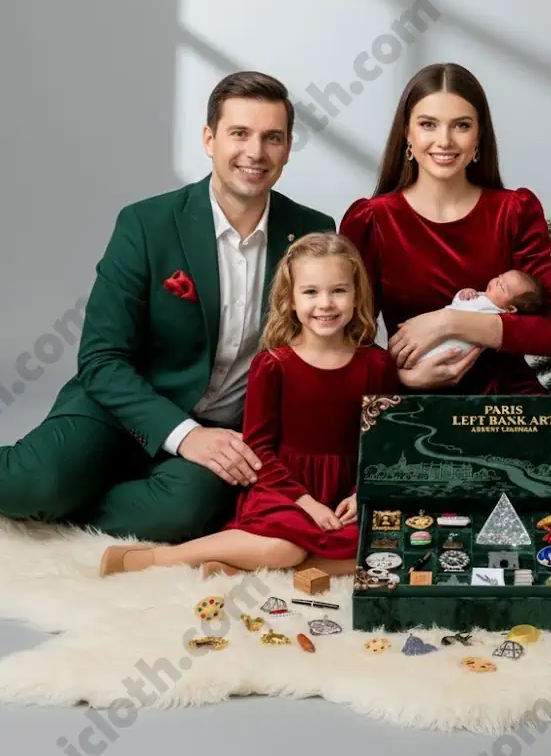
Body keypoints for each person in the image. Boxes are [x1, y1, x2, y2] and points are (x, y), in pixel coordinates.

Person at [0, 72, 335, 543]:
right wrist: (182, 433)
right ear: (209, 138)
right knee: (29, 485)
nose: (255, 152)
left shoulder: (312, 232)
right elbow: (101, 358)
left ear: (286, 147)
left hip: (224, 432)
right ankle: (55, 490)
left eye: (272, 138)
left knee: (183, 513)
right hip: (119, 411)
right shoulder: (146, 223)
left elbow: (325, 348)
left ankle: (66, 506)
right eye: (239, 133)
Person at [99, 233, 396, 575]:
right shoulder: (273, 365)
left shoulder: (376, 364)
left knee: (381, 546)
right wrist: (306, 503)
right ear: (291, 300)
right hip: (284, 487)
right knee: (283, 548)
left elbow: (383, 444)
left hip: (346, 489)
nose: (325, 304)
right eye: (311, 292)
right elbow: (259, 447)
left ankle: (239, 566)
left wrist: (361, 494)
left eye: (338, 290)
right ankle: (151, 558)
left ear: (357, 295)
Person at [340, 63, 551, 394]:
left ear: (479, 135)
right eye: (428, 124)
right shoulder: (372, 220)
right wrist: (400, 377)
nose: (444, 141)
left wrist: (448, 321)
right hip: (410, 404)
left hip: (510, 410)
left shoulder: (515, 211)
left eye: (461, 125)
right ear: (407, 133)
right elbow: (344, 338)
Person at [417, 269, 542, 364]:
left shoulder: (497, 314)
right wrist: (464, 293)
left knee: (433, 355)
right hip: (439, 326)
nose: (496, 281)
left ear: (510, 309)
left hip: (454, 347)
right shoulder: (481, 295)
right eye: (499, 278)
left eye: (501, 286)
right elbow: (457, 304)